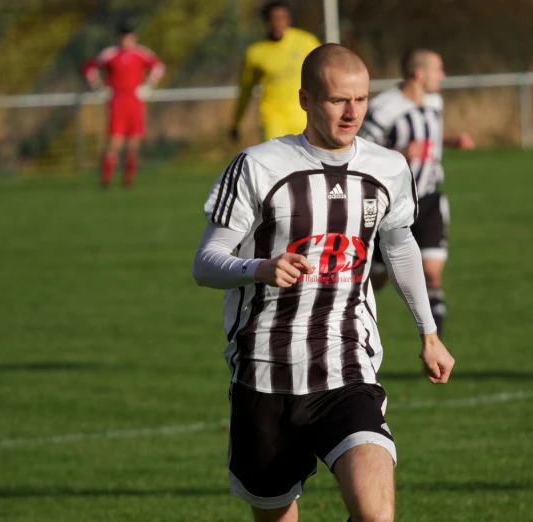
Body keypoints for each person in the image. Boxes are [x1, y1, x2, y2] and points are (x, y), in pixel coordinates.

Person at [193, 43, 455, 522]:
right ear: (306, 100)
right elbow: (205, 263)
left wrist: (428, 333)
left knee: (376, 514)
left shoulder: (388, 168)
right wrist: (259, 267)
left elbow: (399, 247)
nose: (352, 111)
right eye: (338, 100)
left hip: (347, 363)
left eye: (361, 99)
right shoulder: (258, 166)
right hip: (265, 372)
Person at [358, 48, 475, 337]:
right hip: (393, 205)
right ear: (419, 74)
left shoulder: (434, 101)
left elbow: (428, 137)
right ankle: (351, 319)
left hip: (430, 198)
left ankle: (436, 343)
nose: (443, 76)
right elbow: (359, 148)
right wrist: (400, 152)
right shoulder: (385, 107)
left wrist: (450, 140)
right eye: (439, 70)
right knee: (378, 278)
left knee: (432, 272)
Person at [83, 20, 164, 188]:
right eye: (124, 37)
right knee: (115, 141)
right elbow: (89, 67)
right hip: (117, 101)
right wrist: (98, 86)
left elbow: (158, 67)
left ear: (134, 37)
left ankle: (129, 180)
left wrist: (148, 86)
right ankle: (106, 179)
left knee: (134, 143)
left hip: (134, 101)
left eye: (129, 37)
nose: (126, 40)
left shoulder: (141, 53)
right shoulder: (110, 54)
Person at [230, 1, 321, 143]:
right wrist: (236, 122)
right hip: (273, 117)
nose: (277, 22)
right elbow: (246, 91)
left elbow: (324, 71)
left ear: (289, 19)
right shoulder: (256, 53)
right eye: (273, 18)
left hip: (302, 114)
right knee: (277, 159)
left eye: (282, 18)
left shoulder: (306, 42)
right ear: (266, 21)